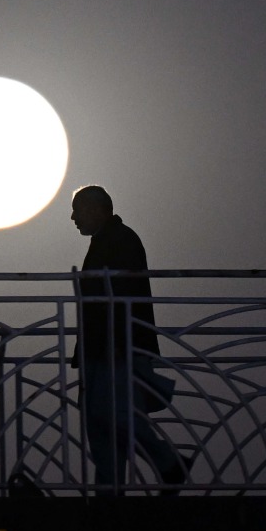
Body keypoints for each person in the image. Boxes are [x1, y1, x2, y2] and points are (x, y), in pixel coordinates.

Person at [70, 185, 186, 495]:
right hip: (106, 347)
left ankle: (168, 463)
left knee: (111, 416)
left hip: (117, 346)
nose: (73, 218)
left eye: (78, 210)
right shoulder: (111, 239)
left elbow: (119, 295)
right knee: (102, 423)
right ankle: (110, 490)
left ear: (97, 209)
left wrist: (118, 344)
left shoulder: (120, 240)